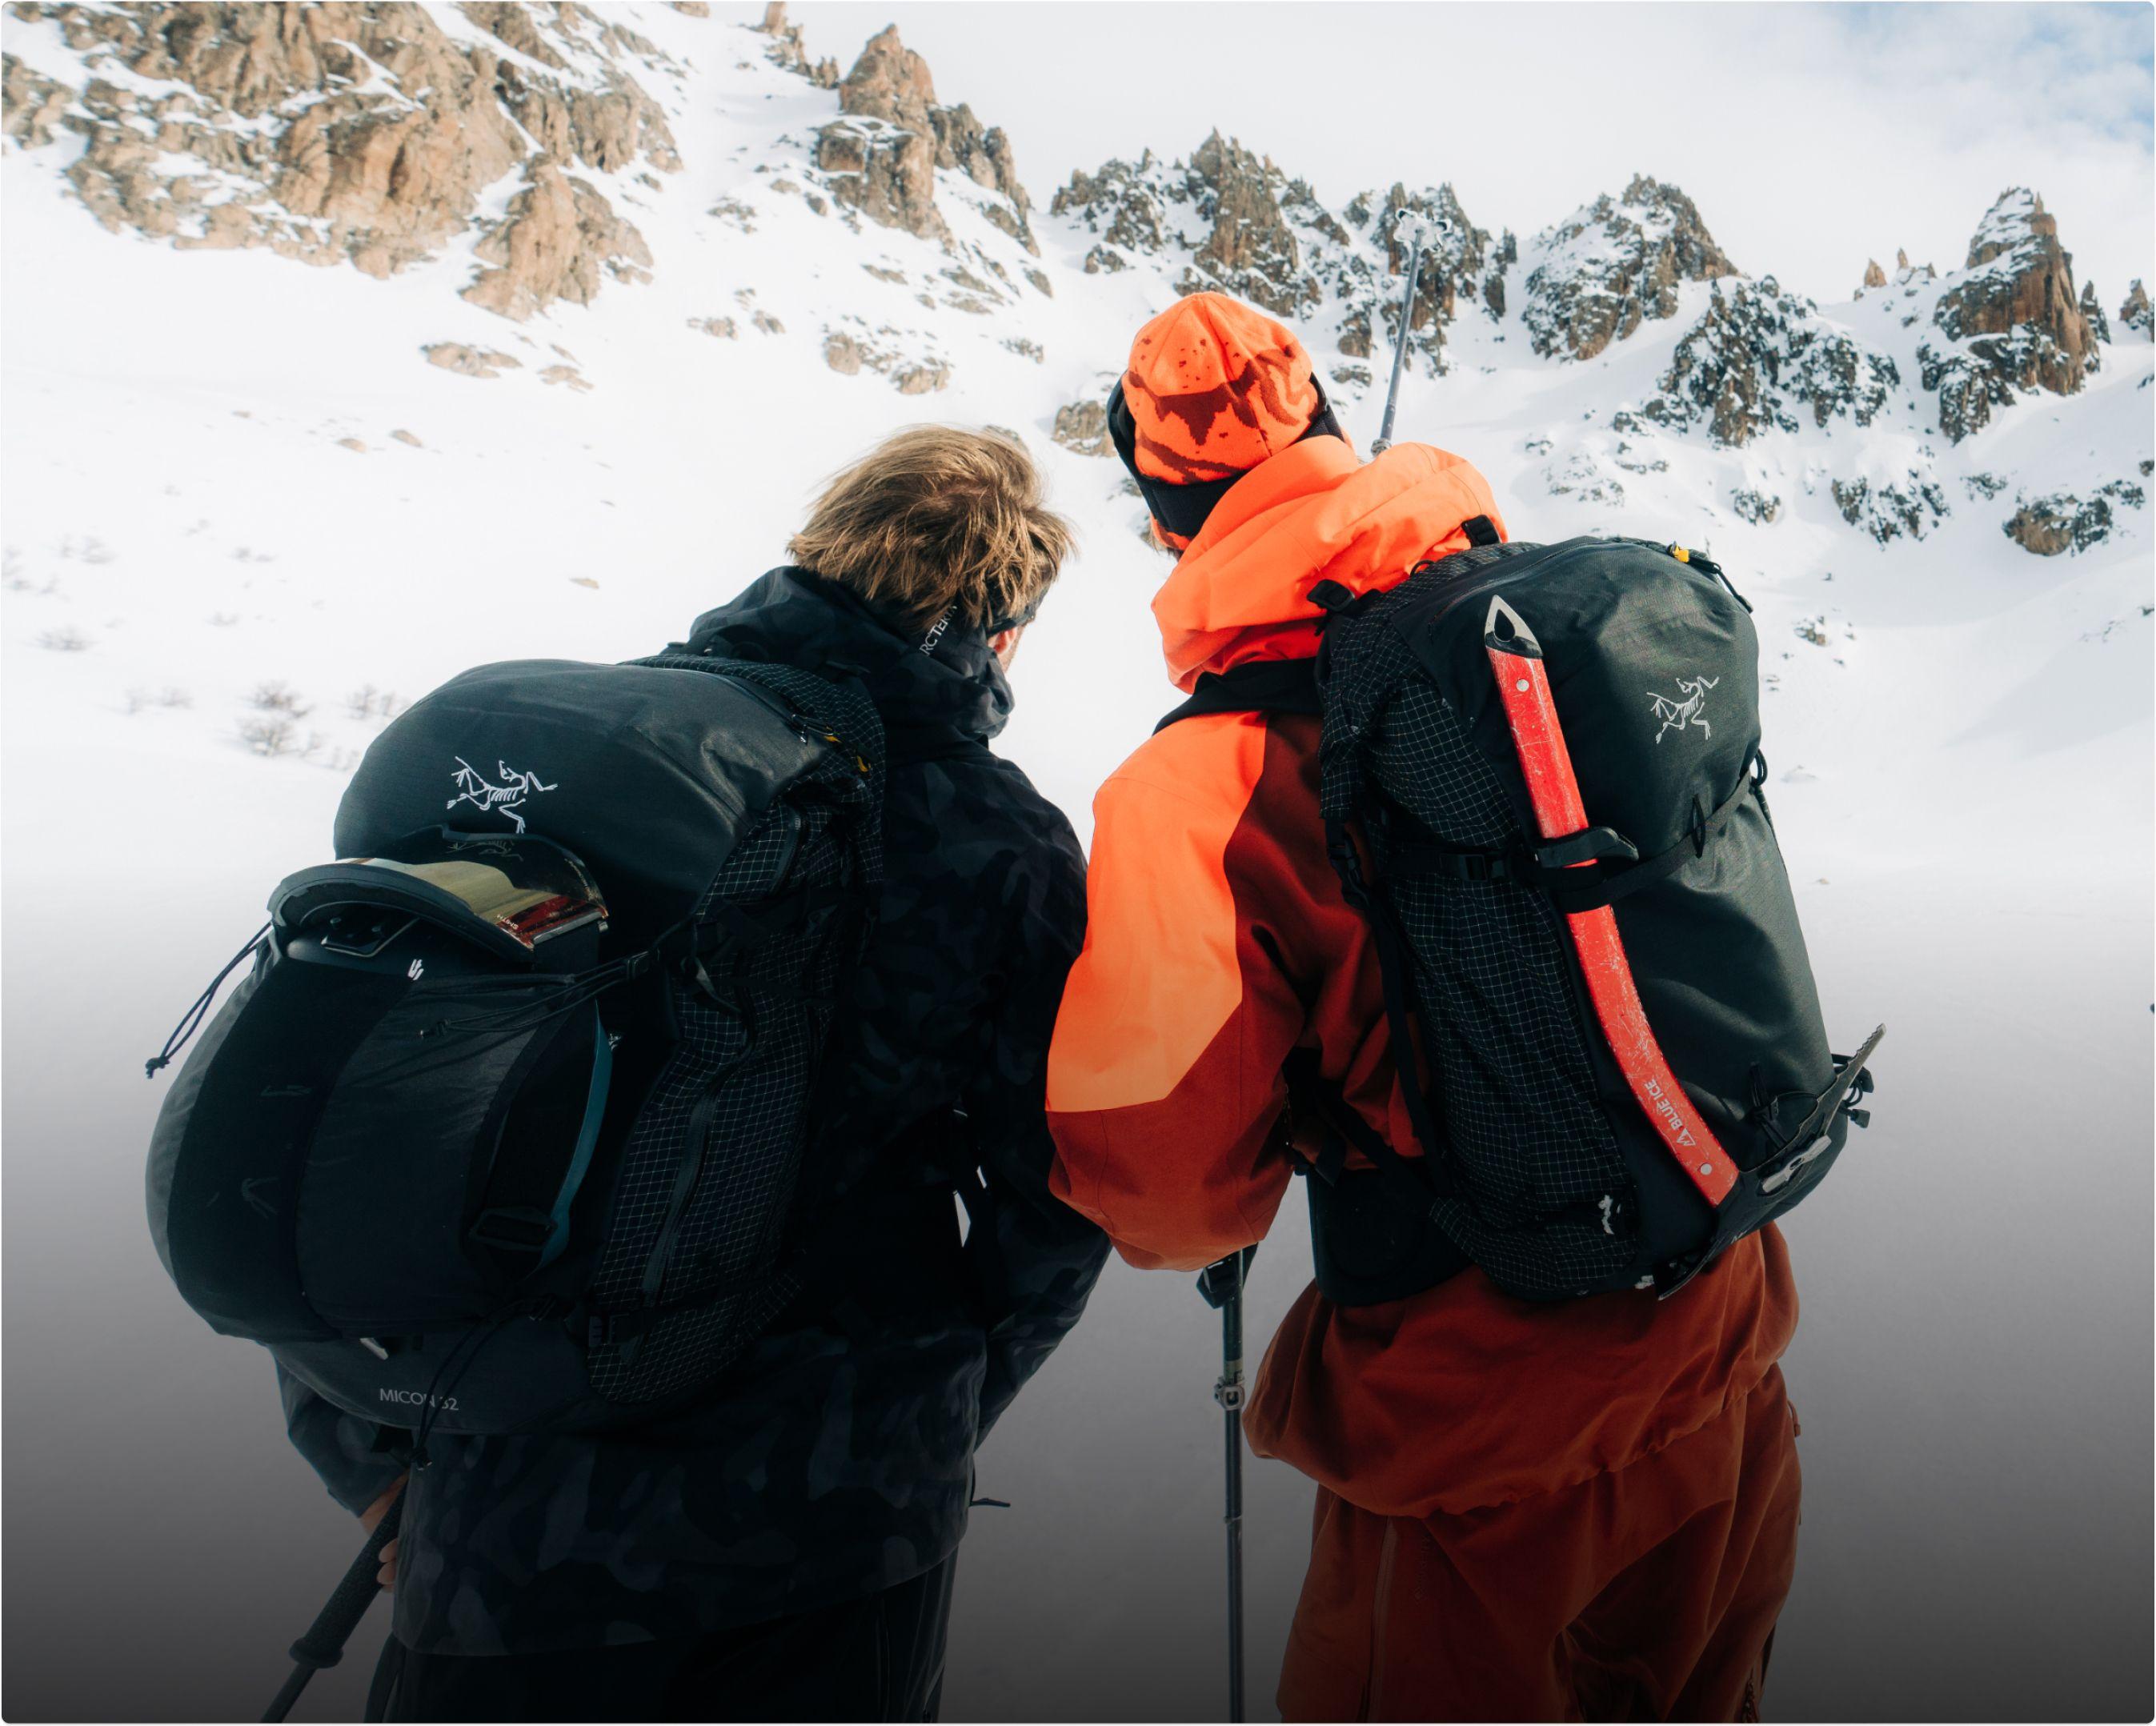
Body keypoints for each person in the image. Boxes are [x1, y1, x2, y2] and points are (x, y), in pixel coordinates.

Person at [1045, 293, 1801, 1722]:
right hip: (1720, 1337)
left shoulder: (1201, 780)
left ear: (1162, 513)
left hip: (1476, 1425)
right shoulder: (1529, 641)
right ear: (1332, 430)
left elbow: (1168, 1190)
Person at [281, 426, 1108, 1723]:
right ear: (998, 624)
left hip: (505, 1506)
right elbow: (1056, 1190)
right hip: (832, 1507)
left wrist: (378, 1448)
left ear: (817, 550)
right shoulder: (995, 837)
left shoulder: (580, 778)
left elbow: (355, 1114)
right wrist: (935, 1408)